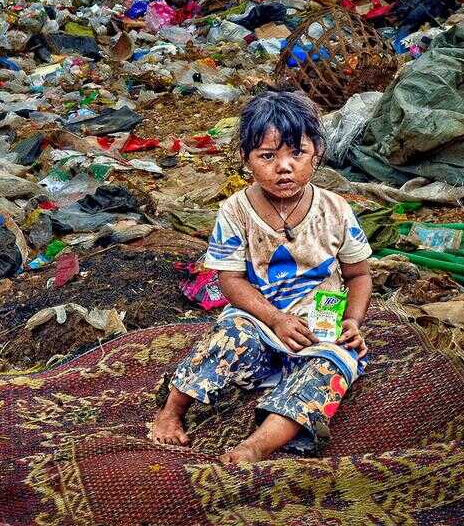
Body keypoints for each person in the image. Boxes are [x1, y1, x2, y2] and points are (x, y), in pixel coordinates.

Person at [149, 91, 373, 463]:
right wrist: (275, 318)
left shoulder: (336, 209)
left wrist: (352, 321)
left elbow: (359, 274)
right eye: (267, 156)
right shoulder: (235, 212)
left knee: (334, 366)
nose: (283, 167)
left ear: (316, 152)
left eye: (296, 153)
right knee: (227, 335)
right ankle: (171, 411)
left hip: (318, 325)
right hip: (258, 319)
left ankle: (256, 445)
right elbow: (230, 280)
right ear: (246, 160)